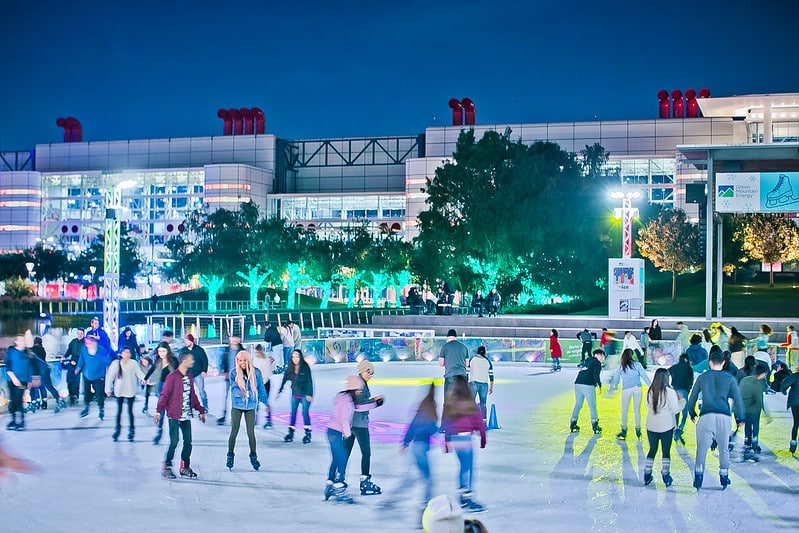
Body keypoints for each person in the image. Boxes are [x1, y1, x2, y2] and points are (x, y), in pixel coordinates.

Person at [687, 347, 745, 491]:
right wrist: (740, 418)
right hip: (724, 417)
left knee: (702, 448)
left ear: (709, 362)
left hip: (706, 415)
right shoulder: (730, 378)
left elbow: (692, 397)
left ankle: (699, 476)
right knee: (723, 449)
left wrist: (692, 413)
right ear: (724, 362)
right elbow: (738, 400)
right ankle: (724, 476)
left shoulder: (702, 377)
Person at [385, 383, 438, 519]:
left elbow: (413, 426)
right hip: (421, 448)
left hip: (416, 447)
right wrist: (437, 429)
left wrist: (405, 442)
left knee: (413, 480)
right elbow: (429, 429)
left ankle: (390, 501)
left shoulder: (422, 407)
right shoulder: (431, 408)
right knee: (427, 480)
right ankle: (425, 509)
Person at [154, 352, 206, 479]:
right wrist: (158, 410)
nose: (192, 362)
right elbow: (164, 395)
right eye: (190, 360)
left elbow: (192, 396)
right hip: (174, 414)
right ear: (184, 361)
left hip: (186, 415)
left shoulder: (189, 376)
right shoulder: (172, 377)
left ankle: (185, 467)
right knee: (174, 441)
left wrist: (200, 410)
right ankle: (167, 466)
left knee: (188, 442)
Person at [442, 375, 487, 513]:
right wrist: (483, 439)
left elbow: (446, 422)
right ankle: (467, 498)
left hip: (455, 439)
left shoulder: (450, 403)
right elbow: (479, 422)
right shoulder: (470, 402)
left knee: (463, 467)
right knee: (469, 468)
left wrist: (447, 440)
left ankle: (462, 495)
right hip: (466, 439)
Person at [344, 360, 385, 495]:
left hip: (352, 424)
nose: (370, 375)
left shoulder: (360, 383)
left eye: (371, 373)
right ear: (362, 370)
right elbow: (360, 405)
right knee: (366, 453)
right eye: (368, 372)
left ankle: (339, 479)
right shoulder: (359, 384)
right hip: (359, 425)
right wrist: (376, 402)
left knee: (345, 453)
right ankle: (365, 481)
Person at [226, 351, 269, 471]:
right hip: (238, 405)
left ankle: (253, 455)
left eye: (244, 360)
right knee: (234, 430)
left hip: (250, 406)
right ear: (237, 361)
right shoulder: (233, 373)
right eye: (240, 360)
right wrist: (242, 391)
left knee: (251, 432)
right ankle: (230, 454)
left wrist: (265, 402)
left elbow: (261, 388)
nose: (243, 363)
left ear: (248, 360)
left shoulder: (256, 372)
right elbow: (233, 388)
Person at [643, 368, 684, 487]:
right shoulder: (669, 392)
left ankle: (647, 473)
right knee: (665, 451)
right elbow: (675, 409)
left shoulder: (650, 391)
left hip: (651, 425)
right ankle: (665, 475)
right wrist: (682, 401)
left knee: (652, 449)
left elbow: (647, 405)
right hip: (666, 425)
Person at [324, 375, 362, 503]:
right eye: (358, 390)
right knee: (342, 458)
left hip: (331, 431)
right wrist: (348, 434)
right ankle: (339, 485)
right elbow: (344, 419)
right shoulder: (347, 402)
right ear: (353, 389)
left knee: (337, 457)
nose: (359, 392)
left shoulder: (342, 398)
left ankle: (330, 481)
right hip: (336, 432)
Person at [609, 348, 651, 440]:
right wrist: (651, 386)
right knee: (637, 410)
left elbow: (616, 377)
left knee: (624, 410)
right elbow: (644, 376)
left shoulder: (622, 366)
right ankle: (638, 428)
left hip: (626, 389)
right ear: (632, 355)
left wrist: (615, 386)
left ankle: (624, 430)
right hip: (637, 388)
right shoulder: (637, 365)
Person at [104, 347, 145, 442]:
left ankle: (131, 431)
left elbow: (139, 373)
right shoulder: (116, 363)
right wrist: (108, 388)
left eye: (128, 352)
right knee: (119, 411)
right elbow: (109, 376)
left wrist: (144, 379)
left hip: (130, 390)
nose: (127, 354)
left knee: (130, 411)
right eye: (125, 352)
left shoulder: (133, 363)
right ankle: (117, 431)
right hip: (120, 390)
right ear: (121, 353)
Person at [144, 341, 178, 444]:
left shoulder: (173, 361)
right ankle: (159, 431)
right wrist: (145, 378)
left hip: (172, 387)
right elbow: (152, 369)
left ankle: (174, 433)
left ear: (168, 351)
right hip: (161, 387)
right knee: (161, 409)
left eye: (163, 351)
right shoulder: (158, 361)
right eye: (159, 351)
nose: (161, 353)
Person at [277, 348, 314, 443]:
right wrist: (280, 390)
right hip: (295, 394)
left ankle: (307, 434)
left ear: (300, 357)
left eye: (297, 356)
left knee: (304, 413)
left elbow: (309, 381)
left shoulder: (305, 367)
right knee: (293, 413)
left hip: (305, 394)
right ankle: (291, 433)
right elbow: (285, 378)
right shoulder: (290, 367)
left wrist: (310, 394)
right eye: (293, 356)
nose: (295, 358)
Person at [570, 348, 605, 434]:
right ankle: (595, 425)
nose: (603, 358)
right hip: (588, 384)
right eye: (602, 356)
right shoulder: (597, 362)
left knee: (578, 404)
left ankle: (573, 423)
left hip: (578, 383)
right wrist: (599, 385)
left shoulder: (587, 361)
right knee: (592, 405)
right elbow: (596, 375)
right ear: (598, 355)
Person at [77, 335, 111, 420]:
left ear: (94, 343)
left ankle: (101, 409)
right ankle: (86, 408)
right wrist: (78, 367)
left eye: (89, 343)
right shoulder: (84, 349)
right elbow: (82, 359)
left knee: (99, 393)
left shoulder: (101, 350)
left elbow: (107, 361)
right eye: (86, 343)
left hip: (99, 375)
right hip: (87, 374)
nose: (87, 344)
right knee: (87, 392)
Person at [740, 362, 769, 461]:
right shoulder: (757, 383)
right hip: (753, 410)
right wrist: (766, 413)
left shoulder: (745, 380)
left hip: (743, 408)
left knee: (747, 425)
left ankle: (747, 440)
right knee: (755, 424)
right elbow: (759, 399)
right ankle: (755, 441)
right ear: (763, 373)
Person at [5, 334, 32, 431]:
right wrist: (12, 376)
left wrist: (29, 381)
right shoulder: (11, 351)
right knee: (12, 400)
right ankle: (13, 420)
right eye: (21, 340)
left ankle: (21, 421)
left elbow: (30, 368)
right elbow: (7, 364)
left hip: (22, 382)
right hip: (11, 380)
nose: (23, 342)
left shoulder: (27, 354)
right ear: (16, 341)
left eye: (24, 340)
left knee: (18, 400)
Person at [30, 336, 63, 412]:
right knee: (45, 387)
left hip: (36, 371)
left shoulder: (32, 350)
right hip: (44, 370)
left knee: (34, 387)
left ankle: (35, 403)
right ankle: (46, 402)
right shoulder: (43, 350)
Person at [216, 334, 244, 425]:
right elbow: (223, 361)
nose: (235, 340)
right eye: (233, 338)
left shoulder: (242, 351)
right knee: (227, 397)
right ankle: (224, 416)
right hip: (229, 377)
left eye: (237, 338)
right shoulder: (227, 350)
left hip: (239, 377)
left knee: (237, 397)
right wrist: (224, 371)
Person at [668, 353, 693, 446]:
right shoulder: (689, 368)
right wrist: (688, 389)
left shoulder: (674, 367)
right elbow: (691, 380)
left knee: (676, 411)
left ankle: (675, 428)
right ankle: (680, 428)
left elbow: (666, 373)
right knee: (684, 412)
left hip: (674, 390)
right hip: (684, 390)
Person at [180, 334, 208, 410]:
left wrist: (204, 371)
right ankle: (190, 406)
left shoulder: (199, 350)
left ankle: (205, 406)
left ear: (191, 341)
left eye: (187, 341)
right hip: (187, 374)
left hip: (198, 373)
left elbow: (205, 360)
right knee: (188, 391)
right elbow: (180, 362)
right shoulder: (183, 351)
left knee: (201, 390)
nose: (185, 342)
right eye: (184, 341)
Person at [439, 329, 469, 398]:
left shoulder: (445, 347)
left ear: (447, 337)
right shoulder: (464, 347)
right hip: (462, 376)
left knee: (448, 401)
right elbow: (467, 364)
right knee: (461, 400)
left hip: (450, 375)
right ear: (456, 337)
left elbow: (441, 363)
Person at [252, 344, 275, 428]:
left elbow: (267, 373)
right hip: (259, 383)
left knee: (265, 402)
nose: (256, 353)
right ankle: (255, 419)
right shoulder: (255, 360)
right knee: (256, 402)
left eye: (257, 352)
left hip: (265, 384)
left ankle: (269, 419)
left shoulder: (264, 361)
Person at [468, 346, 494, 423]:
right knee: (483, 404)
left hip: (473, 383)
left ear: (477, 352)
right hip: (484, 384)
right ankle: (484, 421)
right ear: (485, 352)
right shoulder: (487, 361)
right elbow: (491, 375)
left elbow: (466, 371)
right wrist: (491, 386)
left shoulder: (472, 359)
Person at [61, 328, 85, 405]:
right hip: (72, 361)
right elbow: (69, 351)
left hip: (80, 362)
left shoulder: (86, 342)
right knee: (69, 380)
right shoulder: (73, 342)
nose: (79, 335)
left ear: (83, 334)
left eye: (81, 334)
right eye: (78, 333)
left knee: (76, 380)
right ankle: (71, 395)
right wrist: (64, 357)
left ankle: (75, 395)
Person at [779, 365, 799, 455]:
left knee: (796, 423)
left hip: (795, 403)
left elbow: (784, 383)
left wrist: (784, 391)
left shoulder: (795, 376)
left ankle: (793, 444)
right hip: (795, 402)